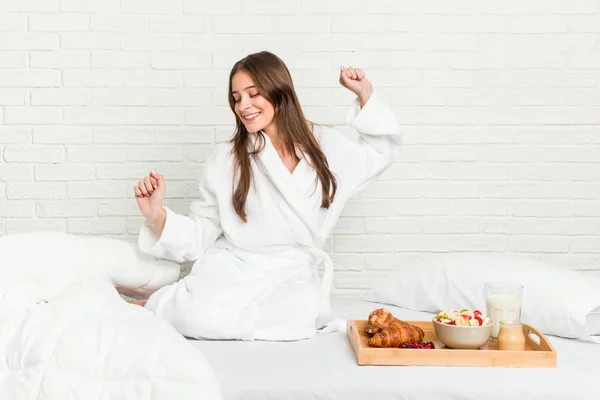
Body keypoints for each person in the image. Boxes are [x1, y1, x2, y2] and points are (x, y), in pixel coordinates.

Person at [133, 51, 401, 341]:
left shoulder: (326, 146)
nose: (243, 105)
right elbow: (201, 233)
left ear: (278, 90)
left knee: (298, 314)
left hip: (292, 274)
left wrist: (365, 94)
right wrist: (156, 214)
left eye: (253, 94)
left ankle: (168, 303)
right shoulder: (227, 158)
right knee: (200, 314)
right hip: (236, 266)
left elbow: (379, 153)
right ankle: (155, 304)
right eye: (236, 98)